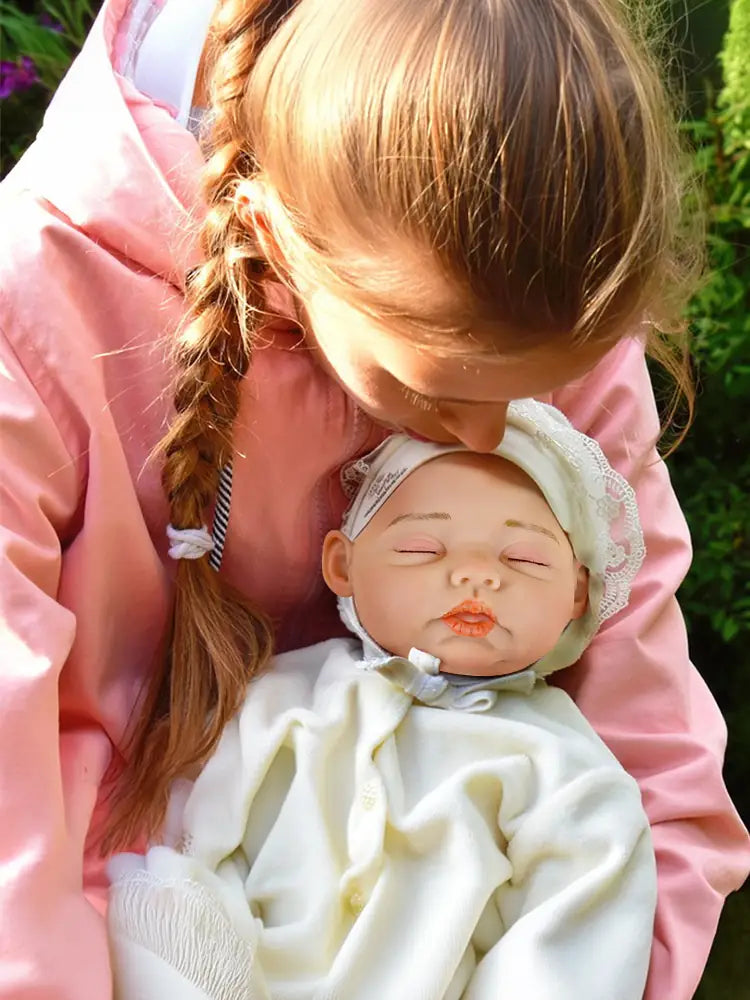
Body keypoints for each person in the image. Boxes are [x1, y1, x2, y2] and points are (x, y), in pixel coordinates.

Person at [0, 0, 747, 997]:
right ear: (277, 242)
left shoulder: (542, 276)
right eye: (429, 394)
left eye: (522, 399)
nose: (490, 439)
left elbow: (650, 750)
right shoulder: (34, 317)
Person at [107, 400, 658, 1000]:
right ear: (342, 565)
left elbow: (571, 956)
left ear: (578, 593)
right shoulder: (271, 704)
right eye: (423, 548)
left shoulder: (570, 774)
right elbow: (191, 860)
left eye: (522, 558)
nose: (476, 576)